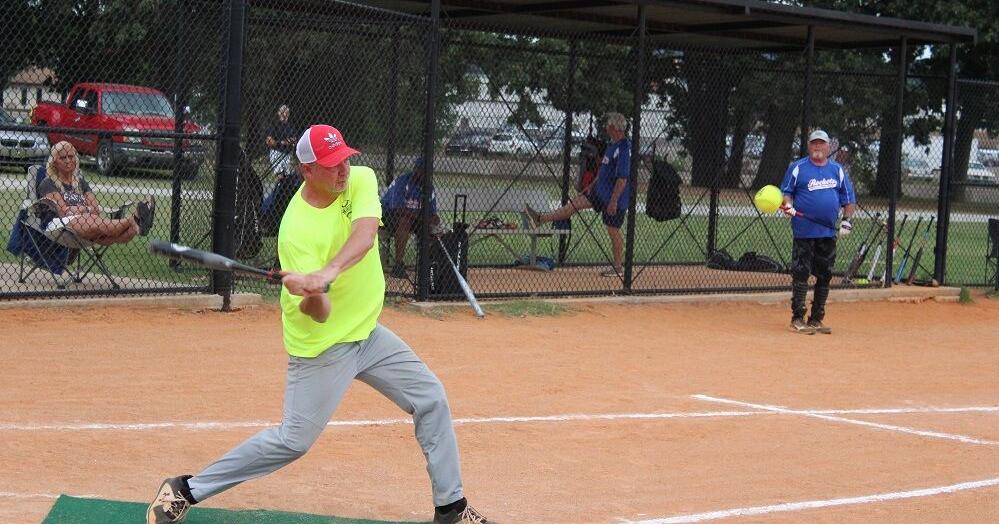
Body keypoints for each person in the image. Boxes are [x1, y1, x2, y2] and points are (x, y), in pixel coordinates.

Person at [146, 124, 496, 524]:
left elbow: (365, 235)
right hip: (322, 346)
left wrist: (326, 273)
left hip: (367, 333)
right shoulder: (296, 233)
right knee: (292, 441)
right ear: (307, 170)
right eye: (331, 164)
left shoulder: (360, 179)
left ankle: (451, 508)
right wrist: (311, 292)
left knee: (431, 398)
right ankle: (186, 489)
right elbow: (321, 313)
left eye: (344, 158)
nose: (343, 169)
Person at [525, 112, 632, 277]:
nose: (606, 128)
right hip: (599, 192)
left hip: (614, 198)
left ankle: (618, 267)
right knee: (574, 204)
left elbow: (622, 179)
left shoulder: (623, 148)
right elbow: (603, 170)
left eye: (608, 126)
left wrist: (613, 201)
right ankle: (540, 219)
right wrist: (591, 185)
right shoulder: (612, 145)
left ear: (615, 127)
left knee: (613, 231)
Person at [779, 129, 856, 335]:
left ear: (828, 147)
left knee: (825, 274)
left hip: (827, 232)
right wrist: (788, 205)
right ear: (809, 146)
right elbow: (786, 193)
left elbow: (848, 198)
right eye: (814, 143)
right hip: (804, 231)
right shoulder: (798, 168)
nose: (818, 147)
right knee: (801, 273)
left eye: (821, 143)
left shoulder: (837, 170)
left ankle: (816, 318)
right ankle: (797, 318)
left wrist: (847, 220)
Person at [36, 141, 154, 245]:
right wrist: (86, 209)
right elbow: (63, 212)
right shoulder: (48, 183)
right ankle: (134, 219)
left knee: (118, 235)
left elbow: (96, 210)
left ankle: (137, 225)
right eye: (63, 158)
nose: (68, 161)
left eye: (71, 156)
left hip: (88, 223)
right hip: (60, 227)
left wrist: (81, 210)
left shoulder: (80, 182)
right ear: (54, 162)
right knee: (94, 221)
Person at [380, 158, 442, 278]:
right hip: (386, 216)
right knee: (405, 221)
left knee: (430, 228)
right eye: (422, 171)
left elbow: (433, 215)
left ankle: (426, 265)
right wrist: (423, 217)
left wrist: (432, 220)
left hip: (414, 219)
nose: (425, 175)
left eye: (428, 173)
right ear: (415, 170)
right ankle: (398, 265)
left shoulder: (429, 188)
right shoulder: (403, 181)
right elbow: (398, 209)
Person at [261, 104, 302, 235]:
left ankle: (279, 199)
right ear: (279, 113)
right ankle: (274, 199)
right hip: (276, 153)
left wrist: (282, 142)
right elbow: (270, 141)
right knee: (281, 177)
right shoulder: (274, 126)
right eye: (283, 112)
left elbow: (293, 141)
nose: (285, 114)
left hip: (286, 155)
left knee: (287, 178)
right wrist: (282, 143)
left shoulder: (290, 127)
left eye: (287, 112)